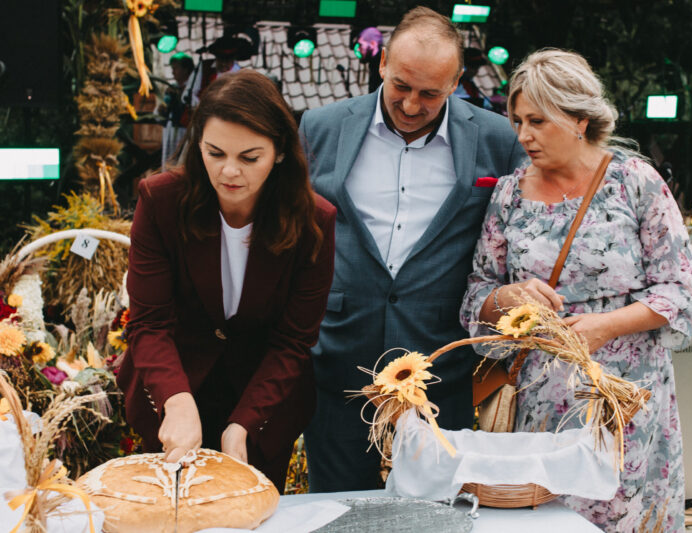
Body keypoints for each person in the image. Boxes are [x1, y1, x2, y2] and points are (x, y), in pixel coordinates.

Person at [459, 48, 692, 532]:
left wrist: (606, 326)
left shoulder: (635, 182)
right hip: (540, 405)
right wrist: (507, 298)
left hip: (626, 403)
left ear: (579, 119)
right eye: (517, 121)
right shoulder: (509, 194)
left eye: (537, 121)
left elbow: (682, 290)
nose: (523, 135)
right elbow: (477, 292)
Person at [298, 6, 526, 492]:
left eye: (430, 93)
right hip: (339, 356)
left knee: (435, 509)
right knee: (337, 506)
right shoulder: (320, 127)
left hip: (441, 360)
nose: (410, 104)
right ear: (382, 63)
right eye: (401, 85)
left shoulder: (498, 139)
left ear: (457, 82)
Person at [118, 70, 336, 491]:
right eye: (215, 153)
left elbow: (293, 341)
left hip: (263, 396)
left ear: (280, 152)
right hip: (173, 386)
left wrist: (244, 424)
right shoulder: (160, 201)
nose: (229, 171)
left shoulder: (315, 221)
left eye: (249, 158)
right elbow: (149, 323)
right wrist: (176, 401)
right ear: (198, 143)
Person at [161, 52, 194, 168]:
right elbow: (163, 110)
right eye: (172, 69)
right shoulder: (172, 88)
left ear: (185, 70)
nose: (173, 72)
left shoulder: (192, 88)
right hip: (170, 129)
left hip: (184, 130)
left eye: (175, 68)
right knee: (169, 160)